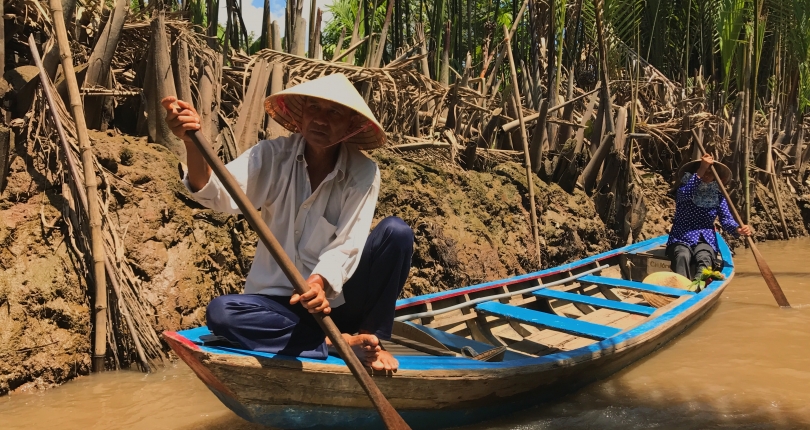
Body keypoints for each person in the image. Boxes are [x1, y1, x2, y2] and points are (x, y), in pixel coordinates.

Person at [161, 73, 413, 372]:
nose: (321, 120)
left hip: (338, 301)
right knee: (222, 312)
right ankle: (333, 344)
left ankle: (372, 338)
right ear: (300, 114)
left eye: (334, 112)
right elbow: (214, 193)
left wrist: (319, 283)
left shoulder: (362, 171)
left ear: (350, 126)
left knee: (396, 233)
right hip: (281, 309)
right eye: (314, 109)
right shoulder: (271, 156)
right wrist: (191, 141)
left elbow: (349, 244)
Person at [667, 153, 752, 280]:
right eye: (703, 172)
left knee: (704, 257)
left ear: (716, 178)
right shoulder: (684, 190)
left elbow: (726, 219)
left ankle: (699, 286)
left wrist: (738, 229)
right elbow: (686, 193)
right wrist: (703, 167)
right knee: (682, 256)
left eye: (710, 173)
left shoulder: (718, 196)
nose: (706, 175)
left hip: (705, 238)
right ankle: (681, 287)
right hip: (681, 236)